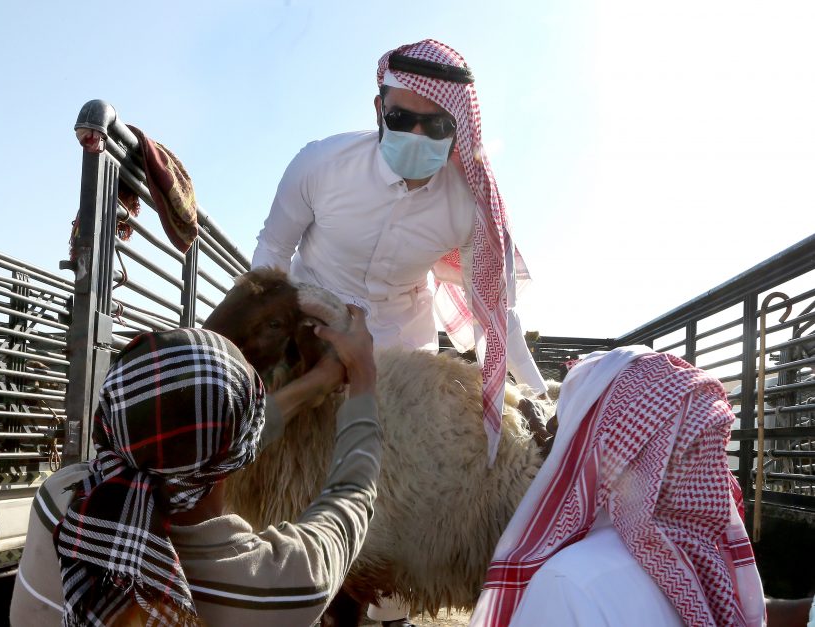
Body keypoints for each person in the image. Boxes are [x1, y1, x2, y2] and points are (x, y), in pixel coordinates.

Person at [253, 39, 547, 624]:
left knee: (393, 499)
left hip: (401, 357)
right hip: (311, 339)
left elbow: (493, 310)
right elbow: (271, 252)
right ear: (377, 109)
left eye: (434, 124)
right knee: (292, 480)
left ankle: (389, 614)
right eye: (400, 118)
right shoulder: (321, 165)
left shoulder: (466, 204)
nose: (416, 134)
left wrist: (538, 394)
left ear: (457, 125)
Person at [9, 310, 381, 627]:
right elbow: (351, 496)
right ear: (238, 454)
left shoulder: (59, 500)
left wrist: (316, 383)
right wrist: (362, 377)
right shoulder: (285, 583)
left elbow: (196, 450)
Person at [471, 346, 766, 627]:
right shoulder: (717, 576)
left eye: (567, 427)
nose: (551, 434)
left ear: (603, 447)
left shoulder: (568, 582)